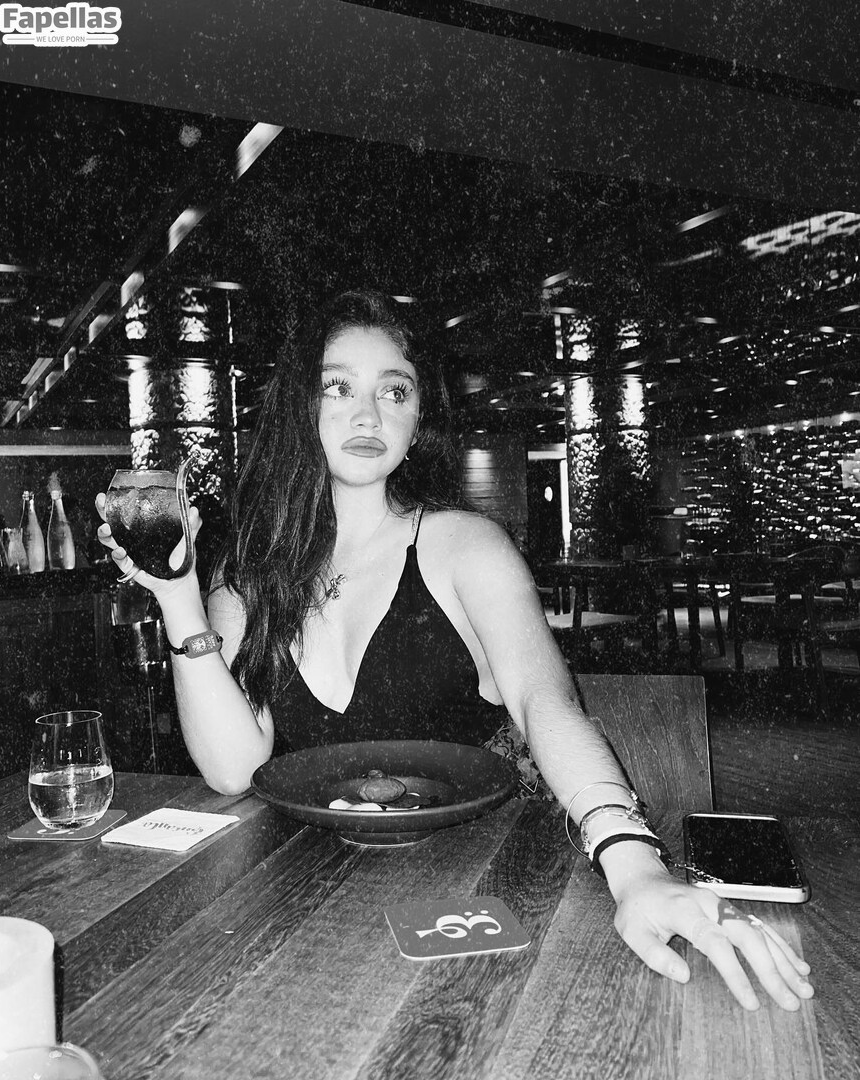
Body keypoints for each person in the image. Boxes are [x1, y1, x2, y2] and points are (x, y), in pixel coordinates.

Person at [96, 289, 813, 1014]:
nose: (368, 415)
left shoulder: (465, 545)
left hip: (492, 887)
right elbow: (232, 768)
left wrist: (633, 865)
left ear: (417, 421)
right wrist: (178, 597)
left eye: (394, 391)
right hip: (317, 897)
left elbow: (545, 703)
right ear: (298, 411)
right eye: (338, 387)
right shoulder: (249, 576)